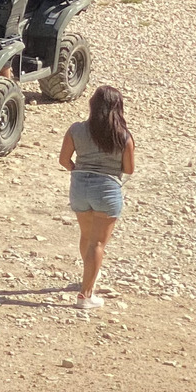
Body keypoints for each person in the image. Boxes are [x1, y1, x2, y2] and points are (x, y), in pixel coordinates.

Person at [58, 85, 135, 309]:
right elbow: (129, 169)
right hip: (107, 189)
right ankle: (86, 294)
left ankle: (88, 277)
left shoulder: (76, 129)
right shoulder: (123, 136)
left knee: (87, 236)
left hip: (80, 186)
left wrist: (78, 170)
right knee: (98, 243)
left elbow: (64, 160)